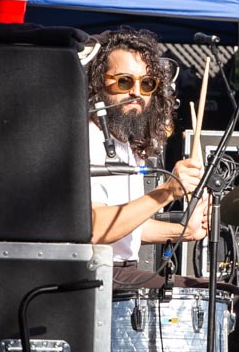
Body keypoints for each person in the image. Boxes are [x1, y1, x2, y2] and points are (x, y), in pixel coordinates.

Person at [86, 27, 210, 287]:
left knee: (219, 293)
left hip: (120, 270)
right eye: (124, 81)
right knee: (217, 297)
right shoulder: (91, 137)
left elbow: (129, 229)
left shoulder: (127, 141)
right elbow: (96, 227)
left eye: (147, 83)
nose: (137, 92)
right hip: (96, 273)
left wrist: (184, 231)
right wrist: (166, 192)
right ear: (98, 83)